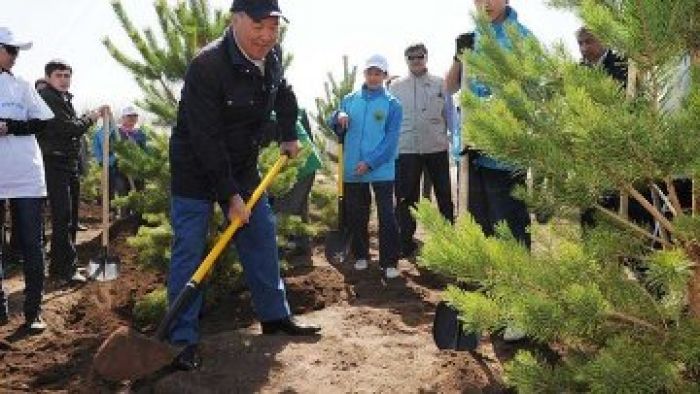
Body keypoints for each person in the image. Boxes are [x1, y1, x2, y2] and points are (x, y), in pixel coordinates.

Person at [167, 0, 321, 371]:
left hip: (242, 165)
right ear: (236, 20)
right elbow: (206, 138)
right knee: (190, 249)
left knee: (261, 234)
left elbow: (283, 92)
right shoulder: (207, 66)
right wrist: (230, 195)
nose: (266, 36)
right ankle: (180, 339)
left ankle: (274, 317)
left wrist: (288, 133)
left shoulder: (271, 54)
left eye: (274, 28)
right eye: (258, 26)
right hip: (195, 168)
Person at [445, 0, 533, 251]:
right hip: (470, 155)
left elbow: (530, 93)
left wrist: (488, 126)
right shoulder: (471, 39)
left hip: (505, 154)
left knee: (509, 229)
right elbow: (450, 88)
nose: (485, 4)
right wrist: (458, 59)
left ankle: (514, 286)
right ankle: (481, 288)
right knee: (477, 229)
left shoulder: (523, 39)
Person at [0, 27, 55, 331]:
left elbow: (44, 122)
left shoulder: (21, 86)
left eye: (17, 51)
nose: (15, 56)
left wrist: (11, 127)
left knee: (32, 244)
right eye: (11, 49)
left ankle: (34, 310)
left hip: (25, 176)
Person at [329, 54, 402, 279]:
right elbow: (335, 123)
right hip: (352, 168)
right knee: (356, 214)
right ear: (364, 74)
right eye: (370, 72)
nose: (373, 76)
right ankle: (361, 255)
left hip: (381, 169)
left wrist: (370, 162)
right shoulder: (350, 100)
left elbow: (390, 141)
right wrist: (337, 115)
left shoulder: (392, 105)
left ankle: (389, 262)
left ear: (384, 76)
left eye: (378, 73)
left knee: (386, 216)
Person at [37, 59, 106, 284]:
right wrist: (92, 117)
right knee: (63, 217)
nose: (64, 80)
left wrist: (87, 117)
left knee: (70, 218)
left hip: (67, 163)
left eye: (67, 76)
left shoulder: (62, 98)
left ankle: (65, 265)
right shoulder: (48, 98)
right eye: (59, 75)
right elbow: (70, 128)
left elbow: (74, 124)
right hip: (54, 163)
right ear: (48, 77)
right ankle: (63, 269)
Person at [389, 43, 456, 257]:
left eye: (420, 56)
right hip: (407, 149)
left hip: (436, 147)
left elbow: (450, 115)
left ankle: (448, 242)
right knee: (406, 198)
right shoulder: (396, 87)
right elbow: (389, 120)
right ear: (406, 60)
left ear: (426, 57)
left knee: (444, 195)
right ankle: (404, 243)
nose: (416, 60)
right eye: (411, 57)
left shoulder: (440, 84)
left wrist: (456, 142)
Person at [273, 109, 323, 259]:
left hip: (301, 165)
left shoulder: (270, 115)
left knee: (282, 211)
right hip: (306, 163)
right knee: (299, 209)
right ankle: (303, 251)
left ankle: (279, 257)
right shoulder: (279, 108)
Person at [93, 105, 148, 205]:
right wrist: (111, 160)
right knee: (123, 193)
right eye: (129, 116)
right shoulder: (115, 132)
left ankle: (137, 218)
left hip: (137, 171)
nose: (132, 118)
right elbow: (104, 145)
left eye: (134, 116)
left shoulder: (140, 134)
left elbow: (145, 151)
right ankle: (123, 217)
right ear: (123, 118)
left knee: (140, 195)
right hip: (119, 171)